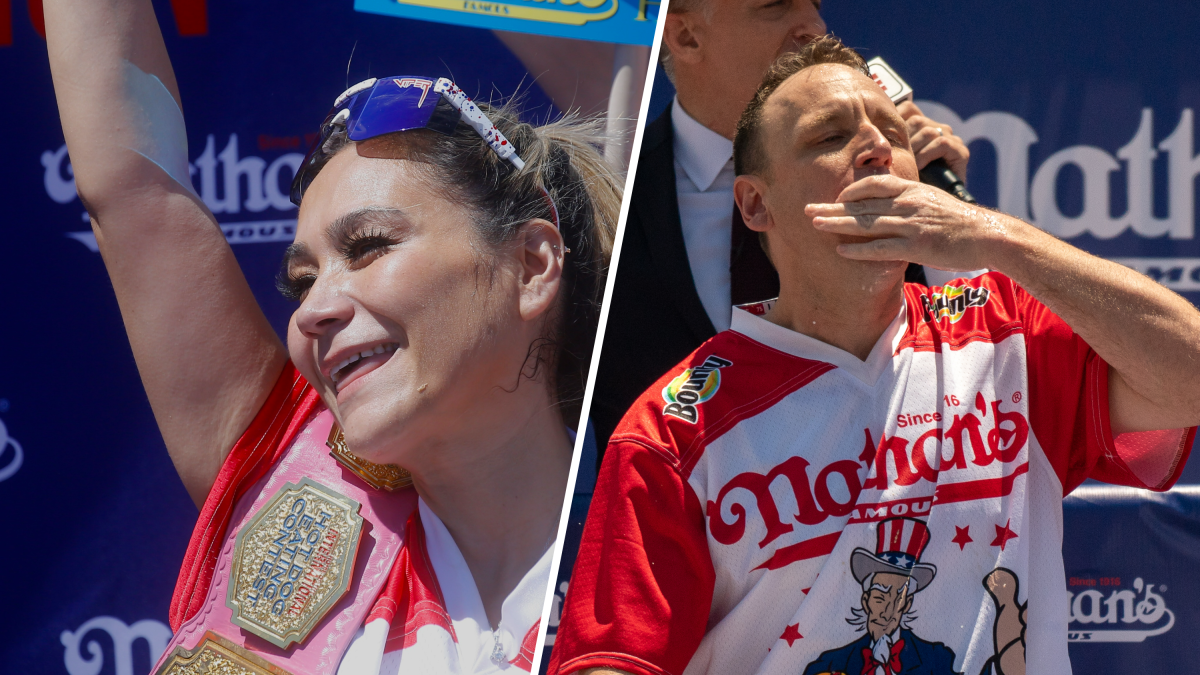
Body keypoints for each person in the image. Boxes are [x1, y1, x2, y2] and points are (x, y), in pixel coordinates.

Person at [549, 37, 1199, 675]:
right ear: (755, 203)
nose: (874, 147)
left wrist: (1001, 239)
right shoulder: (674, 426)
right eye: (830, 136)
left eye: (893, 131)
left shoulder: (1006, 334)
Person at [44, 1, 620, 673]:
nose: (314, 308)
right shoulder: (281, 463)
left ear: (532, 264)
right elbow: (131, 189)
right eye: (301, 279)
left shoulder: (690, 525)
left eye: (370, 245)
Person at [588, 0, 972, 452]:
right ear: (687, 36)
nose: (815, 29)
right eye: (776, 6)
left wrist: (943, 216)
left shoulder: (888, 173)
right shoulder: (606, 203)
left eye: (815, 5)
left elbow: (975, 358)